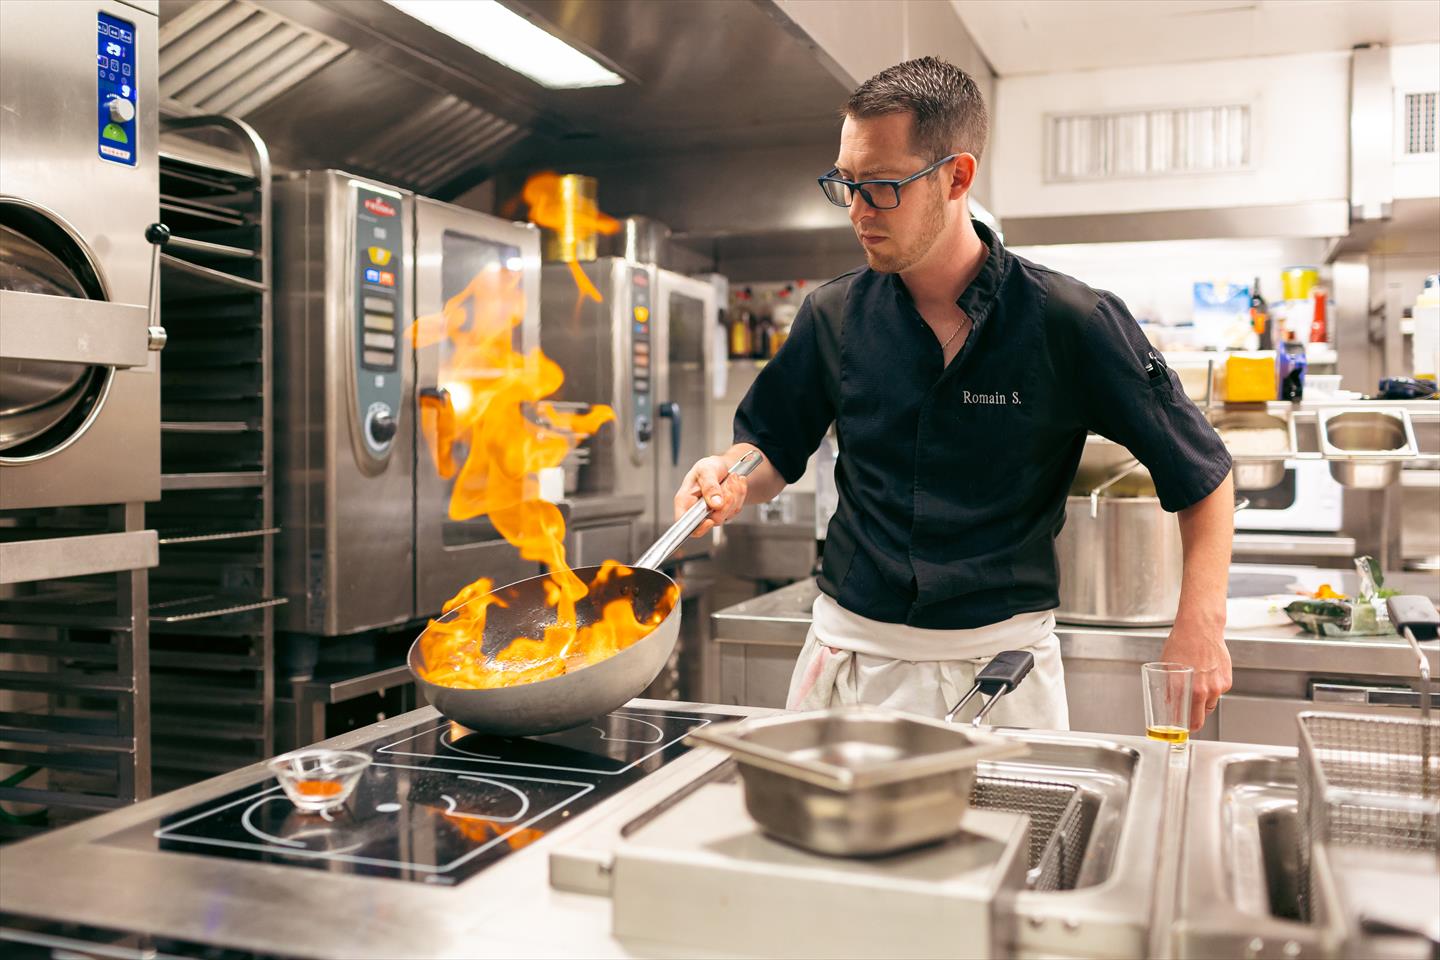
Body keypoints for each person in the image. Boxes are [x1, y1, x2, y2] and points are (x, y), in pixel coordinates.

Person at [675, 57, 1234, 731]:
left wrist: (1200, 625)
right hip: (851, 662)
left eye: (881, 187)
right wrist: (728, 472)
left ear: (957, 177)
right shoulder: (833, 315)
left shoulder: (1069, 321)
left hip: (1001, 671)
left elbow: (1202, 474)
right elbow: (768, 449)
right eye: (845, 184)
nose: (857, 212)